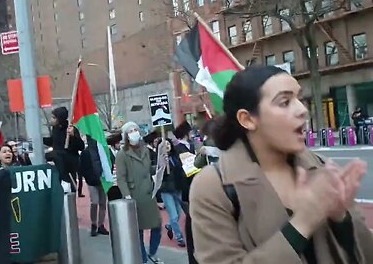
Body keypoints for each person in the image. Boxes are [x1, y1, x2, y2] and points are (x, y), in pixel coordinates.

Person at [190, 66, 373, 264]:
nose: (303, 110)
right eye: (285, 102)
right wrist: (302, 223)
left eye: (299, 99)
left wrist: (342, 218)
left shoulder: (320, 168)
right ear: (248, 119)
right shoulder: (213, 186)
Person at [115, 122, 163, 264]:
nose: (134, 132)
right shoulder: (122, 154)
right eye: (130, 131)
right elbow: (121, 178)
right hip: (134, 196)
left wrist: (160, 165)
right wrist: (127, 196)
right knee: (138, 231)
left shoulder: (145, 150)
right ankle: (143, 259)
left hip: (149, 194)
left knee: (157, 225)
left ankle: (152, 252)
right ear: (126, 135)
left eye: (136, 129)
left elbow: (149, 170)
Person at [43, 107, 85, 196]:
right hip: (59, 163)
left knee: (70, 194)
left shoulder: (71, 129)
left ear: (60, 119)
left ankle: (69, 185)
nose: (51, 120)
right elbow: (52, 141)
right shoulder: (55, 129)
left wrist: (73, 136)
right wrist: (40, 139)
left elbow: (81, 146)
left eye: (54, 118)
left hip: (70, 163)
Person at [173, 120, 198, 264]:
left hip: (195, 183)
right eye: (190, 132)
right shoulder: (179, 149)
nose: (192, 134)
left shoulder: (192, 146)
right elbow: (184, 169)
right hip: (187, 187)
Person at [158, 138, 186, 247]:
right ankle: (179, 238)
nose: (167, 146)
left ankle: (170, 226)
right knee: (173, 215)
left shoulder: (175, 157)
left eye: (168, 144)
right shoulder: (160, 160)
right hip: (166, 190)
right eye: (164, 145)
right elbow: (157, 174)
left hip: (177, 188)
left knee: (179, 214)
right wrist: (163, 165)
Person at [79, 135, 109, 237]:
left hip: (101, 180)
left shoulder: (102, 151)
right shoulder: (86, 153)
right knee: (95, 202)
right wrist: (89, 178)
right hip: (92, 181)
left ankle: (100, 224)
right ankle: (94, 223)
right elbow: (82, 168)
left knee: (102, 203)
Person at [107, 132, 123, 200]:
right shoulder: (108, 154)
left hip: (119, 182)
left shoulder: (119, 153)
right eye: (118, 143)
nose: (119, 145)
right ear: (113, 144)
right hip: (112, 182)